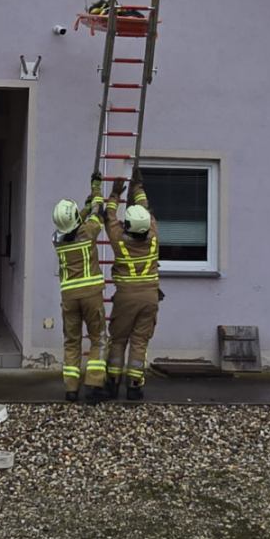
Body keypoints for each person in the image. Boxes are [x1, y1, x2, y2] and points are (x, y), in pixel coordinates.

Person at [102, 170, 160, 402]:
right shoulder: (154, 236)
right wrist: (138, 188)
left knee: (118, 340)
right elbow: (146, 210)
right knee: (139, 342)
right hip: (150, 298)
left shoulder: (119, 241)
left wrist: (116, 193)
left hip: (126, 298)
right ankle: (135, 386)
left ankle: (112, 383)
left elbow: (109, 217)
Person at [52, 173, 108, 402]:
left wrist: (83, 209)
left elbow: (76, 223)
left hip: (69, 297)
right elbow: (100, 211)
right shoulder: (88, 232)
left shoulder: (56, 238)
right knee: (98, 338)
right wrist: (96, 188)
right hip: (91, 294)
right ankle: (94, 385)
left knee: (72, 341)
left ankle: (71, 388)